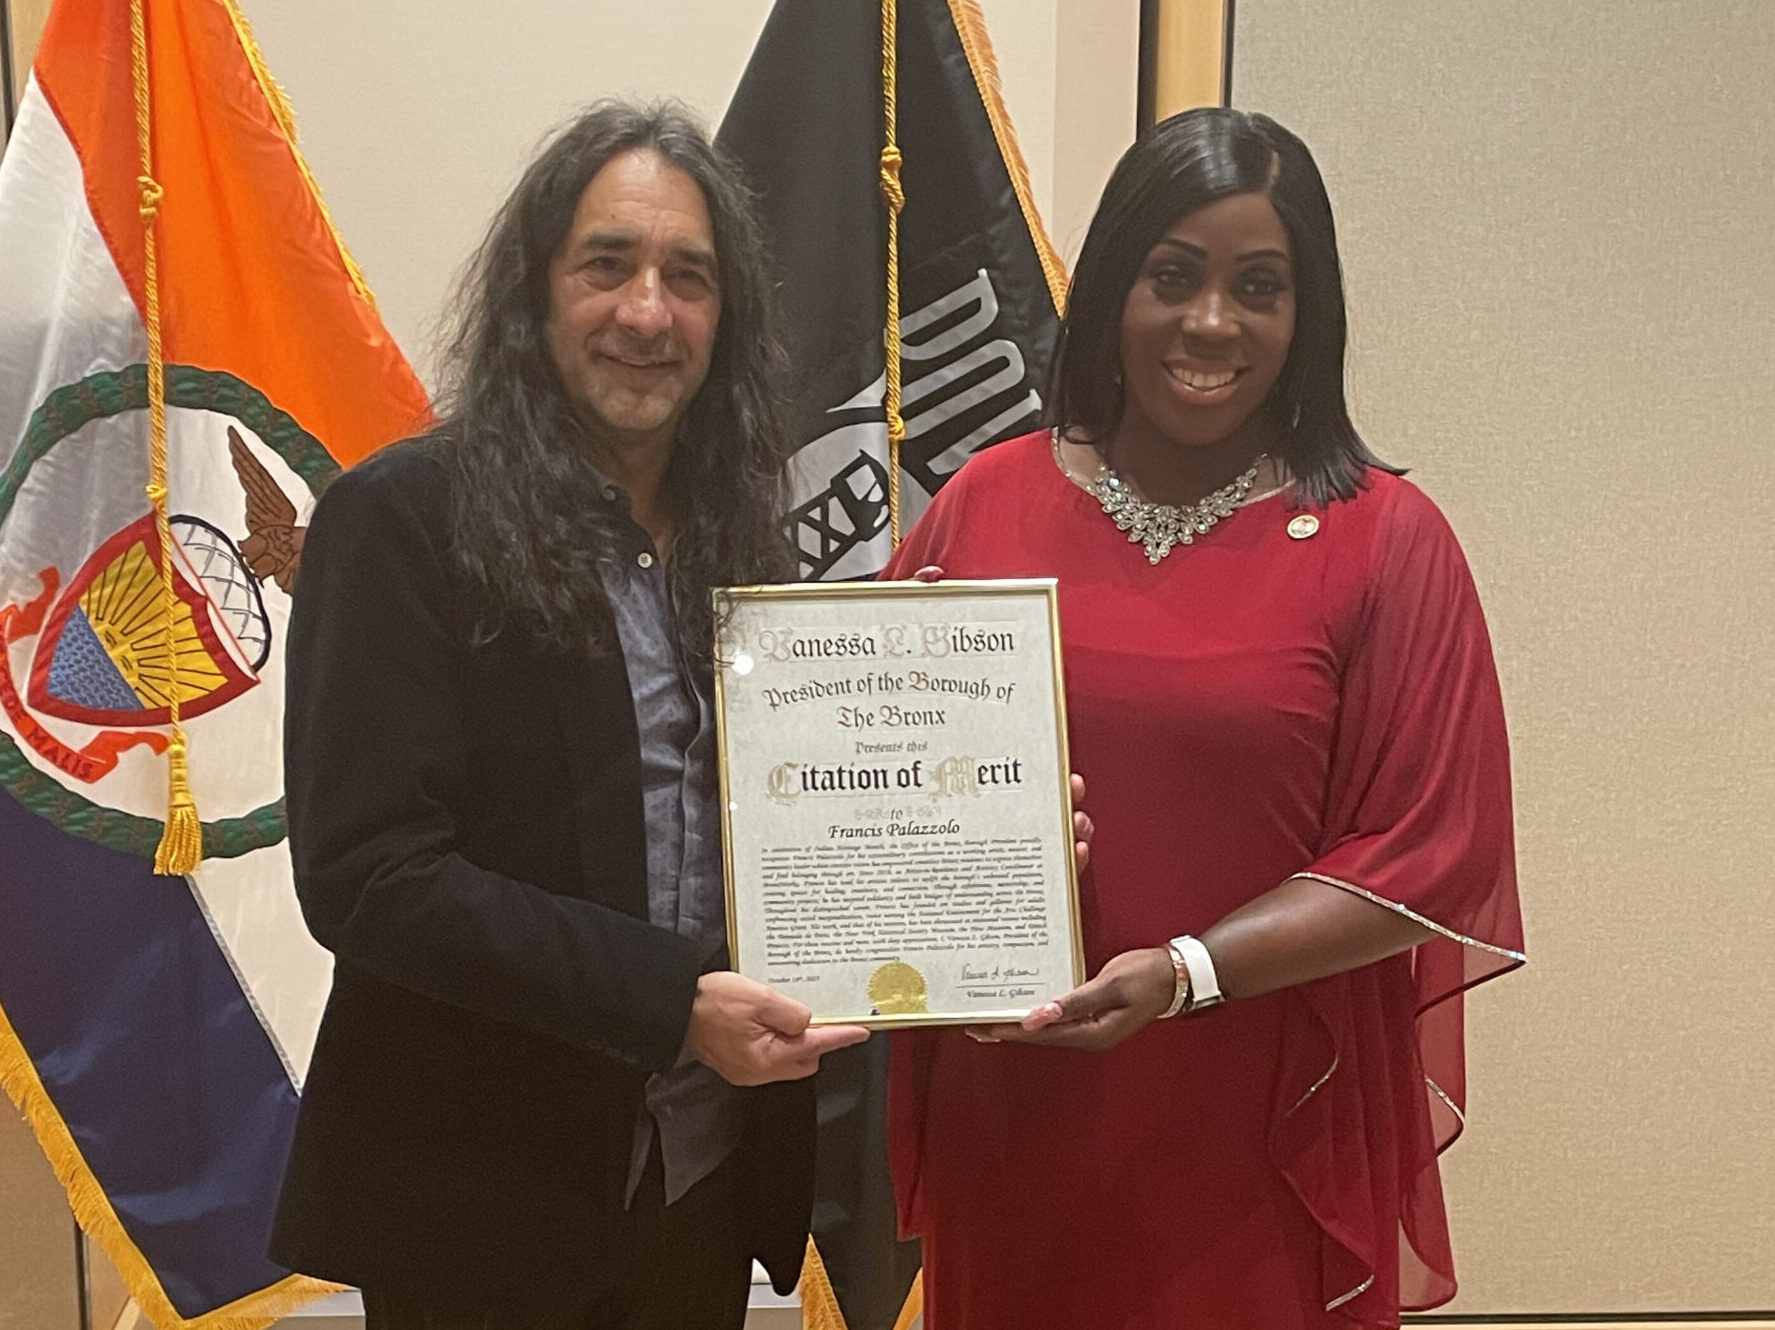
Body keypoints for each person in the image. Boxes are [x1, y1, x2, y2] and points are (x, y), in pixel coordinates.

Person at [883, 107, 1525, 1329]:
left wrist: (1184, 974)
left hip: (1257, 1121)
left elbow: (1430, 847)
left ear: (1308, 313)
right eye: (1171, 277)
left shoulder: (1384, 538)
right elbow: (862, 765)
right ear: (1114, 281)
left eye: (1260, 287)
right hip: (1017, 1104)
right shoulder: (982, 502)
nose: (1211, 323)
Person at [269, 101, 873, 1329]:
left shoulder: (746, 543)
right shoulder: (402, 522)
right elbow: (368, 875)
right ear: (535, 293)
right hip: (477, 1200)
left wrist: (984, 835)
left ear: (727, 317)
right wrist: (670, 1002)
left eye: (688, 278)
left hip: (699, 1183)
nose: (646, 312)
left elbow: (803, 817)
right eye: (608, 264)